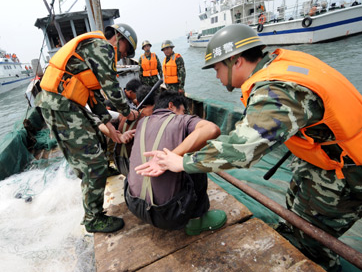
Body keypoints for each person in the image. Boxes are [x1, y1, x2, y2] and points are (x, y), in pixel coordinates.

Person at [135, 24, 362, 271]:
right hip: (326, 156)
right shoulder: (281, 65)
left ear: (236, 61)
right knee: (296, 213)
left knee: (311, 242)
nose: (217, 76)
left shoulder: (277, 89)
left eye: (218, 68)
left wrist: (183, 162)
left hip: (349, 172)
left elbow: (242, 148)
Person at [35, 23, 139, 233]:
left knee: (96, 136)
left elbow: (96, 99)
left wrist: (114, 131)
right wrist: (129, 114)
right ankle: (94, 218)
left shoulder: (91, 52)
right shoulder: (103, 47)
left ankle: (96, 171)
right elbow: (111, 88)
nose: (120, 57)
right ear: (119, 39)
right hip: (60, 106)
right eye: (125, 51)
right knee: (94, 162)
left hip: (67, 105)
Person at [127, 91, 226, 233]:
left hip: (134, 204)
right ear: (171, 106)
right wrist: (172, 157)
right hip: (168, 215)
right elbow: (212, 129)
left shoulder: (142, 122)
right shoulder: (182, 120)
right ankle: (196, 221)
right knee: (195, 157)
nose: (184, 113)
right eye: (183, 110)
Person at [114, 85, 157, 176]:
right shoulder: (149, 120)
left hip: (120, 163)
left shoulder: (125, 116)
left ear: (137, 101)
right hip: (134, 168)